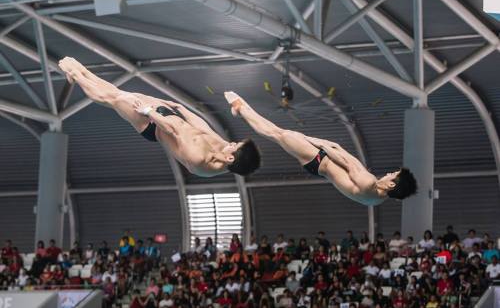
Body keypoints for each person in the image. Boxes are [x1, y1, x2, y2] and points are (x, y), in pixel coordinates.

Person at [59, 57, 260, 177]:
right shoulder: (225, 152)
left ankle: (74, 74)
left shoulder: (200, 161)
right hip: (169, 116)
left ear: (230, 157)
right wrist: (182, 108)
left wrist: (150, 113)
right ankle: (79, 69)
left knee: (111, 98)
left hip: (153, 125)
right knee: (116, 92)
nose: (232, 142)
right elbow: (204, 129)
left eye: (236, 145)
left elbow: (175, 132)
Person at [224, 91, 417, 205]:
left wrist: (313, 140)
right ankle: (241, 111)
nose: (390, 173)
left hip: (320, 157)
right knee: (277, 134)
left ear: (392, 184)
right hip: (319, 167)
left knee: (277, 133)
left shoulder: (368, 182)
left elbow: (342, 156)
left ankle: (240, 109)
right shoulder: (376, 199)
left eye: (393, 174)